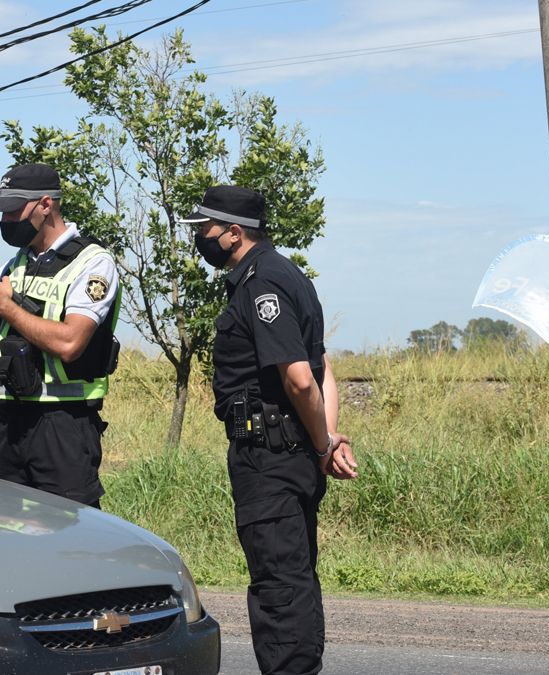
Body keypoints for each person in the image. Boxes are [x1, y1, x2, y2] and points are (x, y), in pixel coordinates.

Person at [182, 185, 359, 675]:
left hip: (271, 459)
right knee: (295, 579)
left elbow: (301, 379)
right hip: (290, 454)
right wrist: (325, 439)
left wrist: (324, 443)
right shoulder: (289, 274)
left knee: (279, 588)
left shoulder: (262, 285)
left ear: (234, 233)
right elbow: (324, 369)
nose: (201, 239)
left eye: (206, 231)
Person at [0, 163, 121, 508]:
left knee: (69, 544)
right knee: (6, 540)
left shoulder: (92, 263)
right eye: (2, 213)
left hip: (63, 427)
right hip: (9, 428)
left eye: (14, 211)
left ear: (46, 205)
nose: (6, 221)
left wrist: (9, 309)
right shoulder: (11, 267)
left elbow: (70, 343)